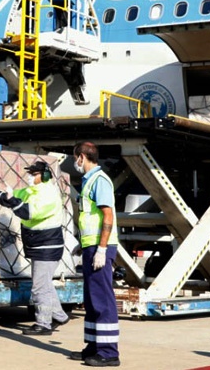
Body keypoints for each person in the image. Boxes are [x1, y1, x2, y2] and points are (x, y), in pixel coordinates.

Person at [0, 160, 71, 336]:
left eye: (34, 174)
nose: (30, 177)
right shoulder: (33, 190)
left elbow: (28, 212)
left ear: (45, 175)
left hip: (47, 245)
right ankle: (59, 316)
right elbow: (15, 197)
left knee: (39, 286)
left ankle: (44, 323)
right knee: (44, 284)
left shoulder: (48, 194)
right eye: (30, 174)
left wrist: (11, 201)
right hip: (38, 244)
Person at [69, 141, 121, 367]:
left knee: (102, 300)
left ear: (81, 157)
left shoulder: (100, 181)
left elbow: (107, 216)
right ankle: (93, 346)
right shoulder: (89, 181)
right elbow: (91, 219)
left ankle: (109, 353)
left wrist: (101, 248)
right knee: (91, 301)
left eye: (75, 158)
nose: (75, 163)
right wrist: (84, 244)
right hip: (91, 246)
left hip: (101, 248)